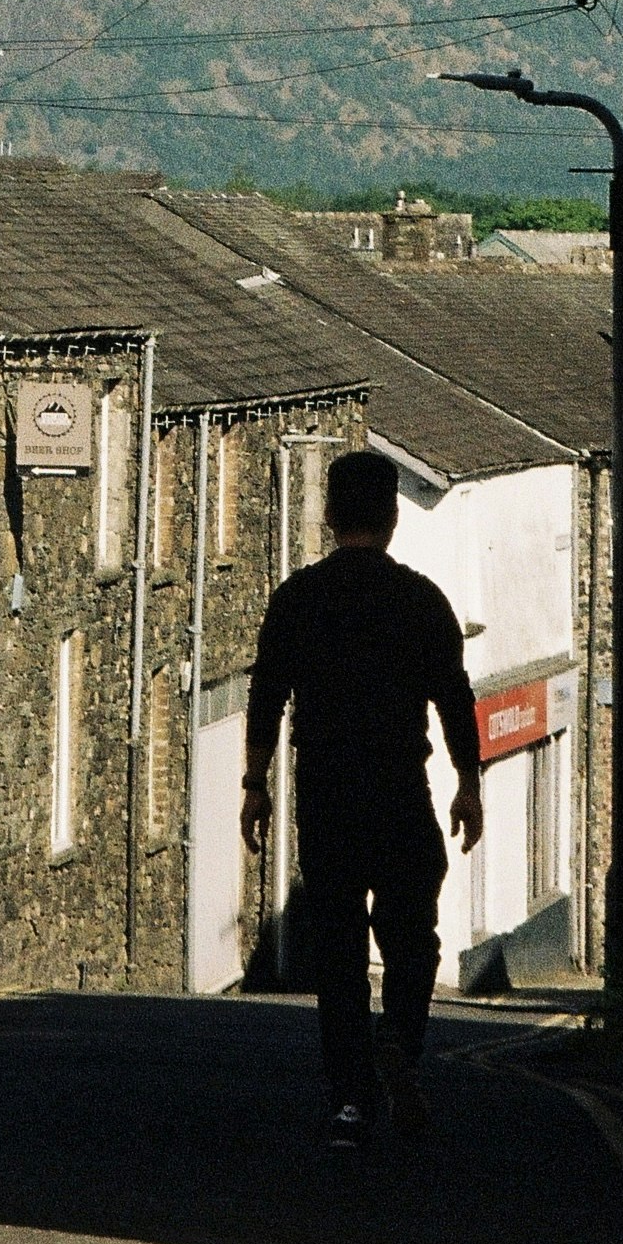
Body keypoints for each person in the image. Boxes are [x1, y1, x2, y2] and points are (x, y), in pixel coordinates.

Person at [240, 446, 482, 1148]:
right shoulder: (420, 600)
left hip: (325, 793)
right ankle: (399, 1043)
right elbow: (455, 700)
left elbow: (265, 699)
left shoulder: (297, 599)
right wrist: (467, 784)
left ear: (327, 515)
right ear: (393, 516)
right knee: (414, 939)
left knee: (338, 949)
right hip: (399, 789)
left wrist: (254, 787)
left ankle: (349, 1101)